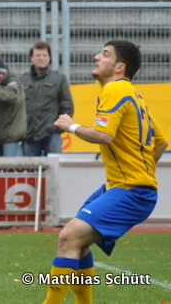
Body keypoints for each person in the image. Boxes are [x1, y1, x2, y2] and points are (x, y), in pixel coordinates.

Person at [44, 40, 167, 304]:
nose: (96, 56)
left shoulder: (115, 88)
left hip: (131, 190)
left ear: (119, 67)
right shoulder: (136, 96)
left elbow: (103, 136)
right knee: (79, 242)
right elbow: (162, 142)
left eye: (105, 54)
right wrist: (142, 170)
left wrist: (71, 126)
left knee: (68, 237)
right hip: (128, 187)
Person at [20, 41, 74, 156]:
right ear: (31, 58)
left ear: (49, 58)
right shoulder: (22, 80)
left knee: (54, 169)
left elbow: (67, 106)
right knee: (30, 171)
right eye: (38, 55)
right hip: (29, 134)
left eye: (44, 55)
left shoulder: (59, 79)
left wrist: (58, 128)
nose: (41, 58)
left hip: (52, 134)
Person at [0, 58, 26, 157]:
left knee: (9, 169)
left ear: (5, 73)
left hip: (11, 137)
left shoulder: (13, 81)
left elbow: (11, 96)